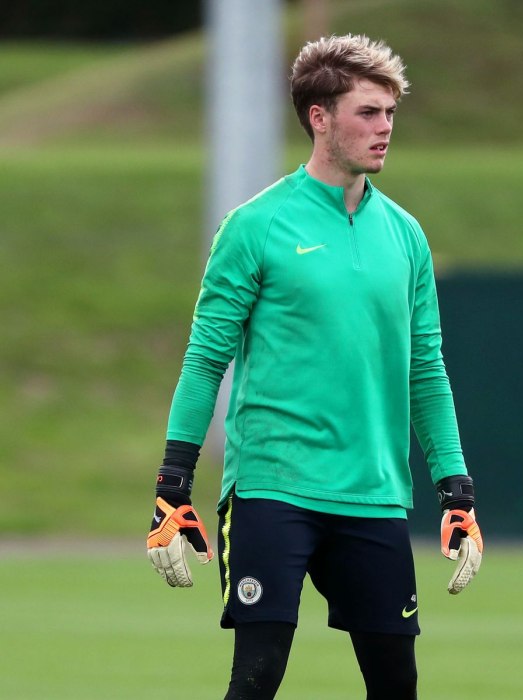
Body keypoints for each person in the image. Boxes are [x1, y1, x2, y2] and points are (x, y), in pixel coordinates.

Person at [146, 34, 483, 700]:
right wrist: (172, 485)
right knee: (258, 674)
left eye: (390, 113)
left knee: (397, 683)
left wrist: (457, 490)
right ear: (319, 117)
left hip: (374, 493)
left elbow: (426, 370)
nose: (385, 128)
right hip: (274, 487)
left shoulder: (406, 235)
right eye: (368, 112)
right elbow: (206, 359)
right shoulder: (256, 225)